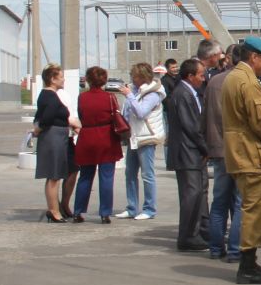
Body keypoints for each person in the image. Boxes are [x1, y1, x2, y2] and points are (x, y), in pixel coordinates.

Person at [220, 36, 261, 284]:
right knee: (255, 210)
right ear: (254, 57)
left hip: (240, 152)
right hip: (250, 153)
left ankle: (250, 262)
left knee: (249, 207)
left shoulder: (233, 77)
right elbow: (259, 120)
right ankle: (247, 266)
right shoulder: (247, 82)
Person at [203, 45, 243, 263]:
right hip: (237, 149)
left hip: (218, 148)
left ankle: (216, 248)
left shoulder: (214, 82)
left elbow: (205, 116)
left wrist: (207, 146)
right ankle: (235, 250)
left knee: (219, 201)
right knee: (239, 201)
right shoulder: (242, 82)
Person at [165, 58, 210, 251]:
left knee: (197, 194)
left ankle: (196, 233)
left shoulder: (190, 92)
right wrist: (206, 148)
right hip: (186, 152)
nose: (203, 78)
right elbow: (192, 126)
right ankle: (187, 236)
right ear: (190, 76)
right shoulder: (182, 94)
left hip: (192, 152)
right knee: (191, 196)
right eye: (200, 75)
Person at [68, 66, 123, 223]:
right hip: (106, 138)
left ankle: (78, 211)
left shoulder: (82, 98)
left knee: (85, 176)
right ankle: (105, 213)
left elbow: (81, 115)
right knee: (106, 177)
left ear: (89, 80)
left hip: (87, 137)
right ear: (104, 80)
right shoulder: (109, 97)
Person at [32, 64, 78, 223]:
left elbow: (39, 116)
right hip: (54, 137)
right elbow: (46, 118)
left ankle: (55, 209)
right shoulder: (50, 96)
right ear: (52, 79)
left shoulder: (48, 95)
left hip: (56, 136)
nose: (63, 79)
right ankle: (54, 210)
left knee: (55, 175)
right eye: (61, 76)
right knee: (54, 176)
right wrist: (39, 128)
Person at [119, 62, 164, 221]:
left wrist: (129, 95)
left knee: (147, 174)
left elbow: (141, 112)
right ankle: (131, 207)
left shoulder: (153, 94)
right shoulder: (136, 90)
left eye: (135, 76)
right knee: (130, 173)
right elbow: (128, 111)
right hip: (134, 137)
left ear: (142, 77)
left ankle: (149, 209)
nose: (132, 79)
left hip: (146, 138)